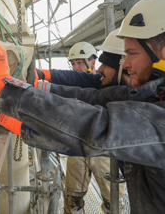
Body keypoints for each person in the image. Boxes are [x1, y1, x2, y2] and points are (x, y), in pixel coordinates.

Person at [0, 0, 165, 213]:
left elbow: (101, 127)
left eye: (132, 54)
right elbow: (92, 98)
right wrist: (26, 92)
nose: (126, 64)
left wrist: (6, 86)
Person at [33, 38, 127, 214]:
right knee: (72, 198)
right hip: (78, 147)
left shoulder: (104, 83)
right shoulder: (81, 80)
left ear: (92, 61)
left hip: (103, 152)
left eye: (79, 62)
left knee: (112, 202)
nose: (76, 67)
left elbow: (81, 84)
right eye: (73, 63)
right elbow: (70, 79)